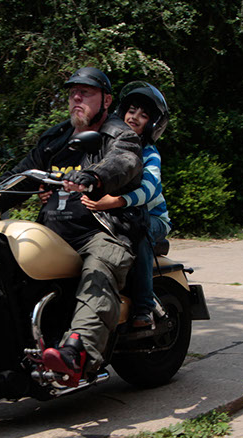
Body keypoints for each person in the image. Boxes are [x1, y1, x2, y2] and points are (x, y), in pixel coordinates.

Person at [0, 67, 143, 387]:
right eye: (73, 92)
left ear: (106, 100)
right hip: (53, 234)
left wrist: (94, 176)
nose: (76, 97)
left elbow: (123, 161)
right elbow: (22, 174)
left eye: (86, 92)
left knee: (101, 264)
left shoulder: (120, 135)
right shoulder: (55, 139)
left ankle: (76, 354)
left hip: (101, 231)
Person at [80, 81, 171, 329]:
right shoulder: (106, 144)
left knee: (139, 234)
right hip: (115, 213)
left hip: (151, 217)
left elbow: (149, 190)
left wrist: (116, 201)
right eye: (131, 111)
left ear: (152, 124)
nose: (134, 117)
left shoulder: (149, 153)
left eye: (143, 115)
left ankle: (144, 307)